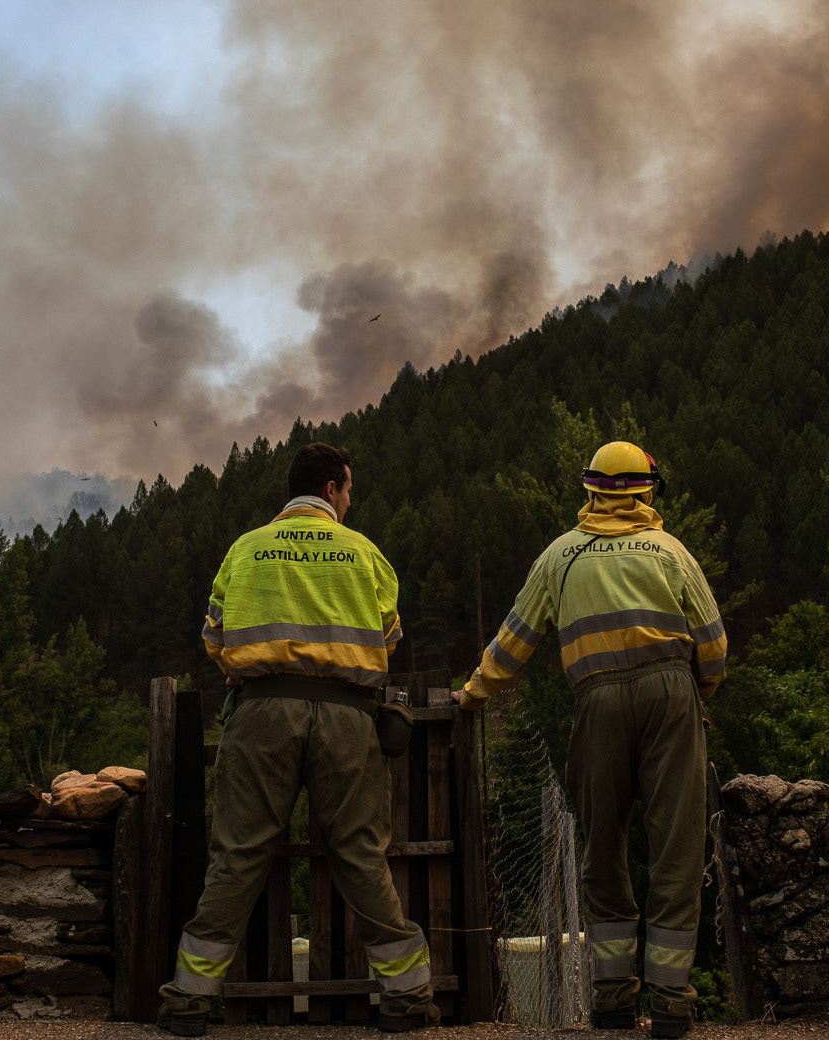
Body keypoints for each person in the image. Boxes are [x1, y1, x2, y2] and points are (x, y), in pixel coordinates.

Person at [158, 442, 439, 1037]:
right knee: (362, 854)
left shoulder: (247, 548)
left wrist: (247, 668)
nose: (350, 499)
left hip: (261, 712)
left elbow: (213, 635)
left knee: (237, 854)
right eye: (350, 490)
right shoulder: (364, 553)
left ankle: (188, 999)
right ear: (334, 489)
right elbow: (388, 641)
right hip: (348, 717)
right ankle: (407, 998)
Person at [455, 441, 726, 1039]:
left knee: (602, 845)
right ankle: (673, 1003)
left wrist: (472, 694)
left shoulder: (561, 555)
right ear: (647, 490)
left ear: (591, 490)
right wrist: (693, 701)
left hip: (596, 700)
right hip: (672, 693)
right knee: (675, 850)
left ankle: (611, 1001)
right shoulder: (670, 552)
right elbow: (715, 646)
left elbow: (513, 642)